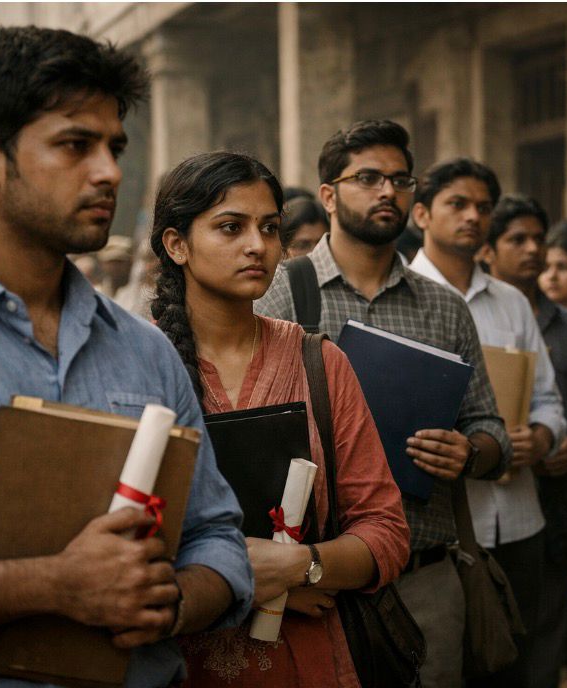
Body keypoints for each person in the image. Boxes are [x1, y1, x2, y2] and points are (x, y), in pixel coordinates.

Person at [0, 26, 252, 687]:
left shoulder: (146, 351)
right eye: (75, 144)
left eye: (115, 147)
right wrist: (54, 585)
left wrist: (168, 602)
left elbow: (217, 538)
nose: (110, 172)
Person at [256, 120, 510, 688]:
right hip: (312, 580)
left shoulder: (444, 308)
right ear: (328, 195)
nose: (387, 192)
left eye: (399, 179)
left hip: (425, 577)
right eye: (367, 177)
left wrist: (470, 451)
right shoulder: (280, 292)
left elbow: (492, 427)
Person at [148, 151, 410, 687]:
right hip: (173, 661)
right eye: (230, 227)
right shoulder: (138, 366)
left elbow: (384, 530)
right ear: (176, 245)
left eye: (269, 228)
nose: (258, 246)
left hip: (306, 663)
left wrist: (305, 565)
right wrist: (248, 581)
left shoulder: (318, 361)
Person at [408, 160, 566, 688]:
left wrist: (540, 436)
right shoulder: (402, 298)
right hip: (444, 527)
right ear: (423, 214)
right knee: (446, 665)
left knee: (514, 666)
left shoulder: (512, 301)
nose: (473, 216)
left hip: (520, 519)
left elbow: (548, 400)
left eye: (483, 207)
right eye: (458, 204)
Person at [485, 197, 567, 688]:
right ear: (488, 250)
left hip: (557, 504)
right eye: (518, 240)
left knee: (544, 648)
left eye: (539, 240)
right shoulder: (474, 316)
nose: (533, 251)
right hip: (491, 508)